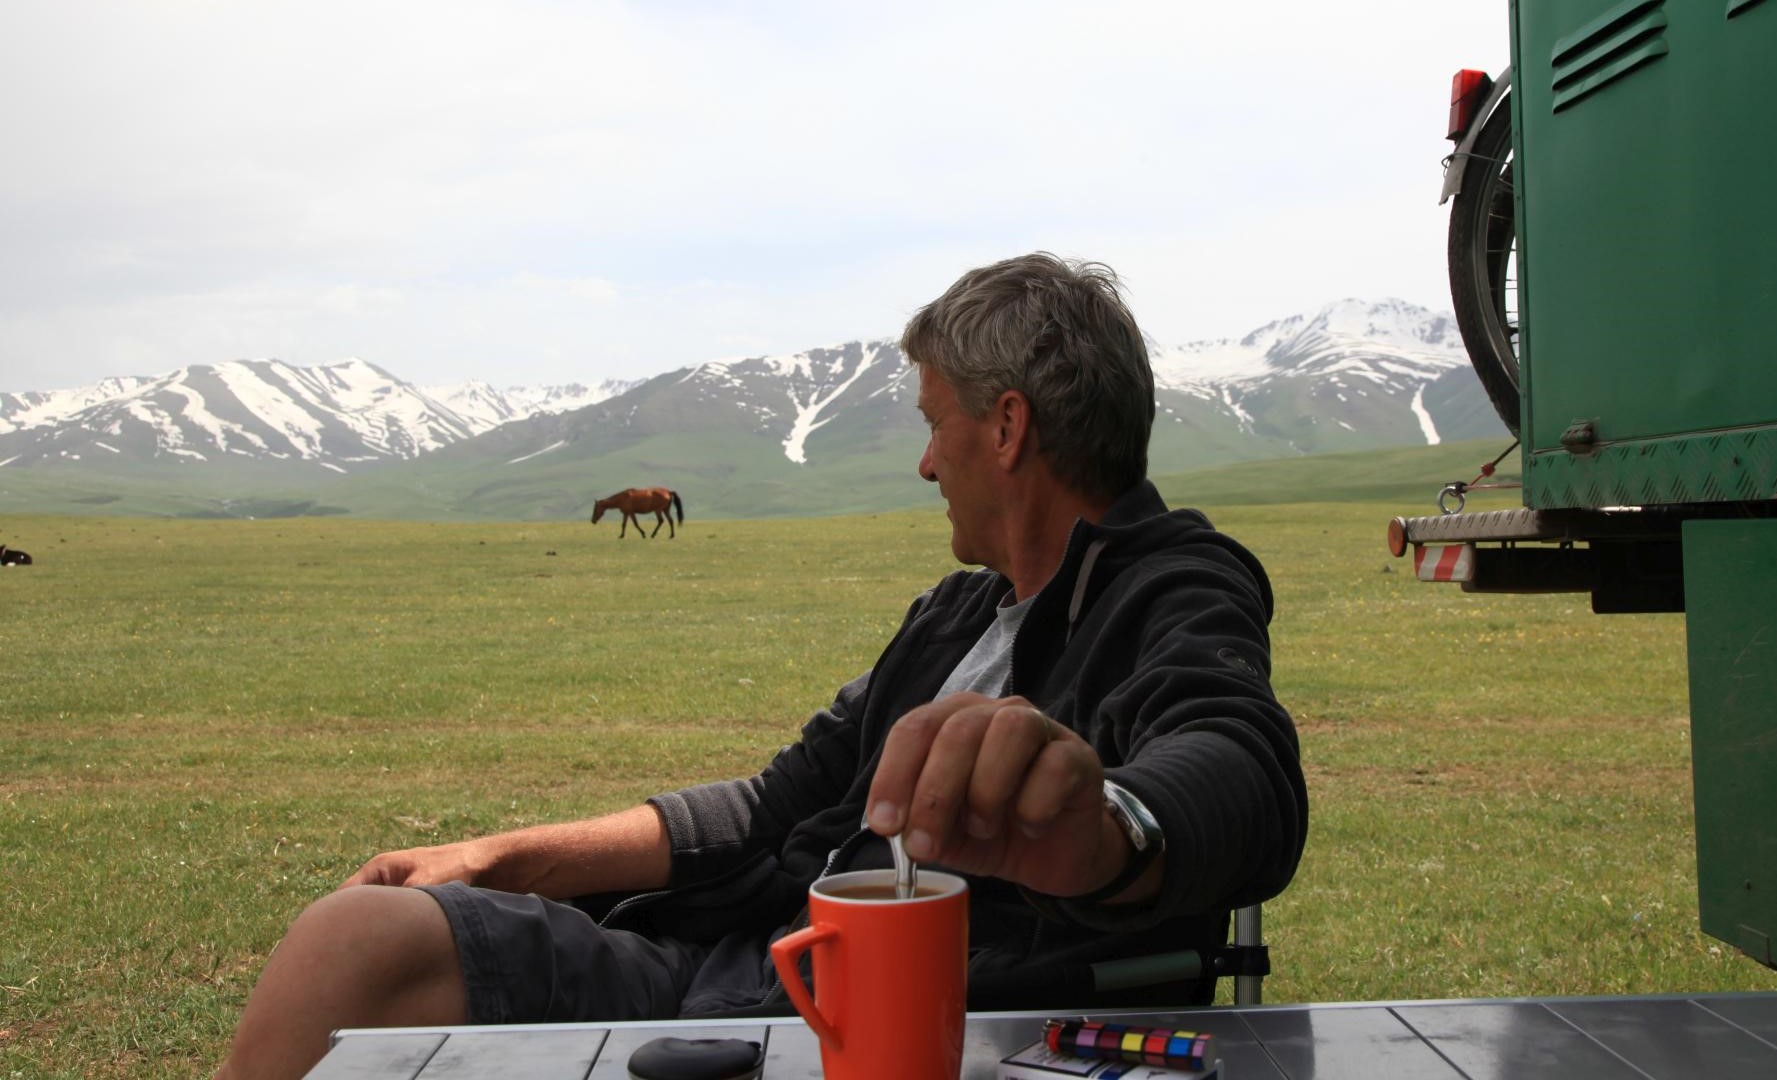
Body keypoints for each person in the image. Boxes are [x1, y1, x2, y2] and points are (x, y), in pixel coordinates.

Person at [215, 252, 1309, 1079]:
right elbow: (775, 802)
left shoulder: (1173, 581)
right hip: (737, 963)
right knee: (359, 936)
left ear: (1008, 426)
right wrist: (500, 857)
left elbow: (1239, 765)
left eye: (936, 425)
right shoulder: (951, 617)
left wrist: (1112, 830)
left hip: (898, 1026)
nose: (927, 462)